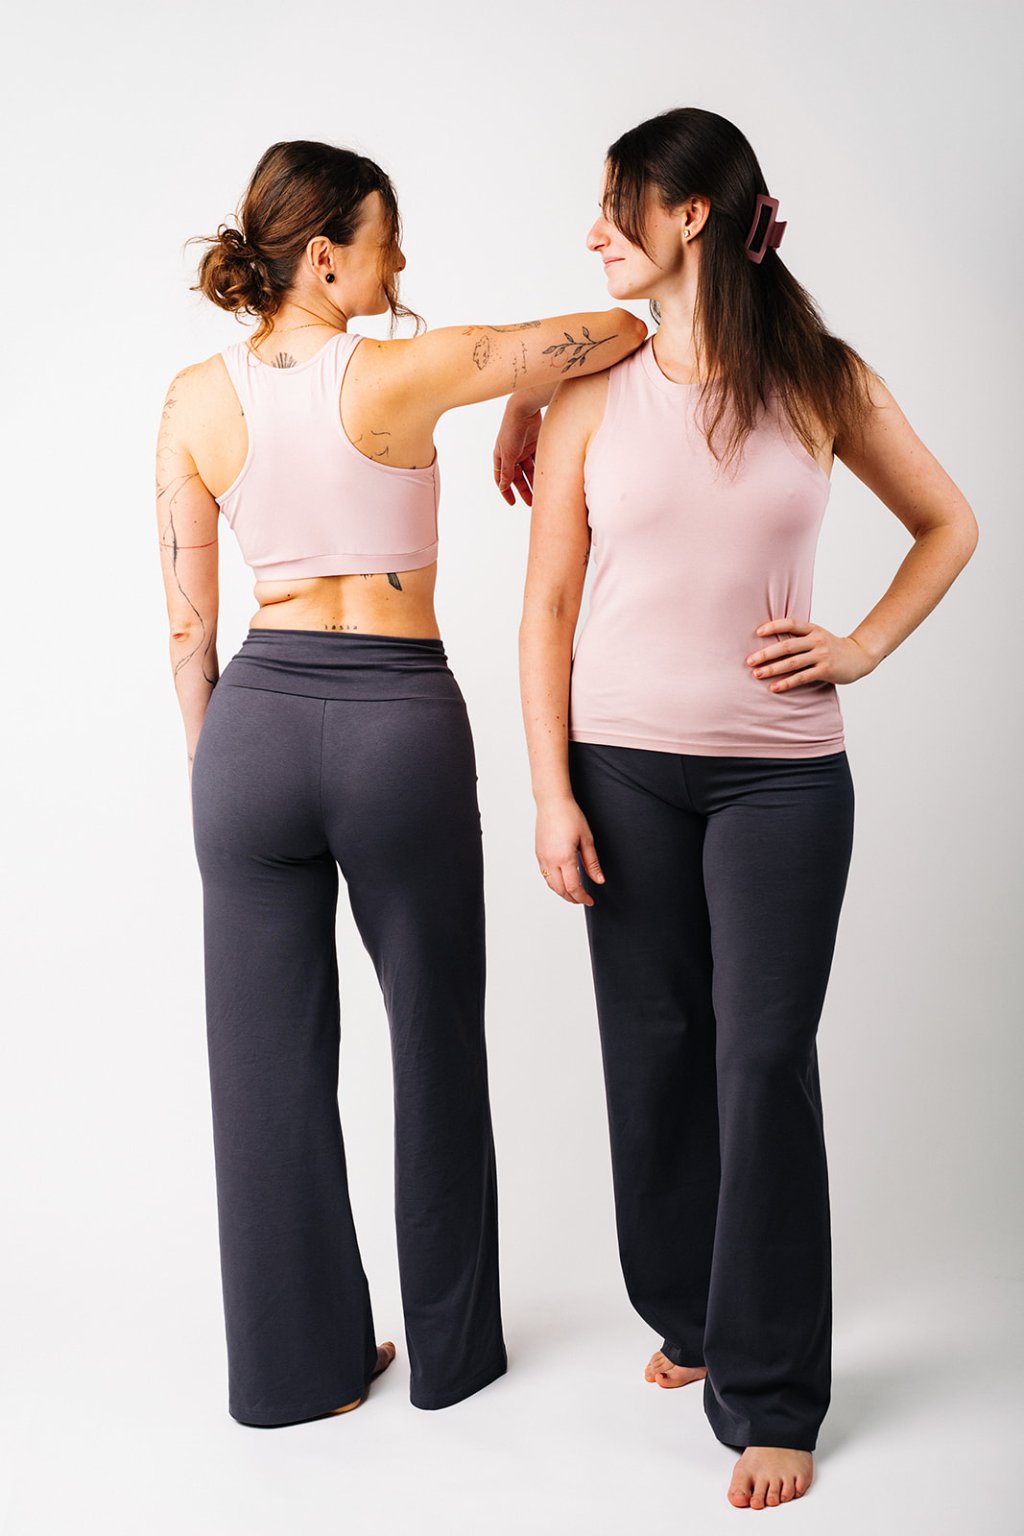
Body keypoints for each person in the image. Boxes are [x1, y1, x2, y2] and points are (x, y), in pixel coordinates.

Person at [502, 107, 978, 1509]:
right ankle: (696, 1313)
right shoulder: (595, 388)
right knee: (654, 1055)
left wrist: (862, 645)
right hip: (620, 770)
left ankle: (773, 1394)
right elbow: (545, 607)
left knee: (761, 1060)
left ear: (691, 215)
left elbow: (948, 522)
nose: (597, 230)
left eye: (618, 205)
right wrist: (549, 792)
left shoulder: (823, 377)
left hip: (782, 776)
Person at [155, 137, 647, 1429]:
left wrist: (216, 782)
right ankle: (451, 1357)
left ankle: (294, 1374)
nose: (402, 261)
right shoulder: (404, 372)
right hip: (394, 722)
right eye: (386, 241)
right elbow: (612, 327)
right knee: (434, 1037)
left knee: (262, 1072)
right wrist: (527, 397)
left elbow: (188, 631)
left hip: (249, 737)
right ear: (326, 258)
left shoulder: (193, 400)